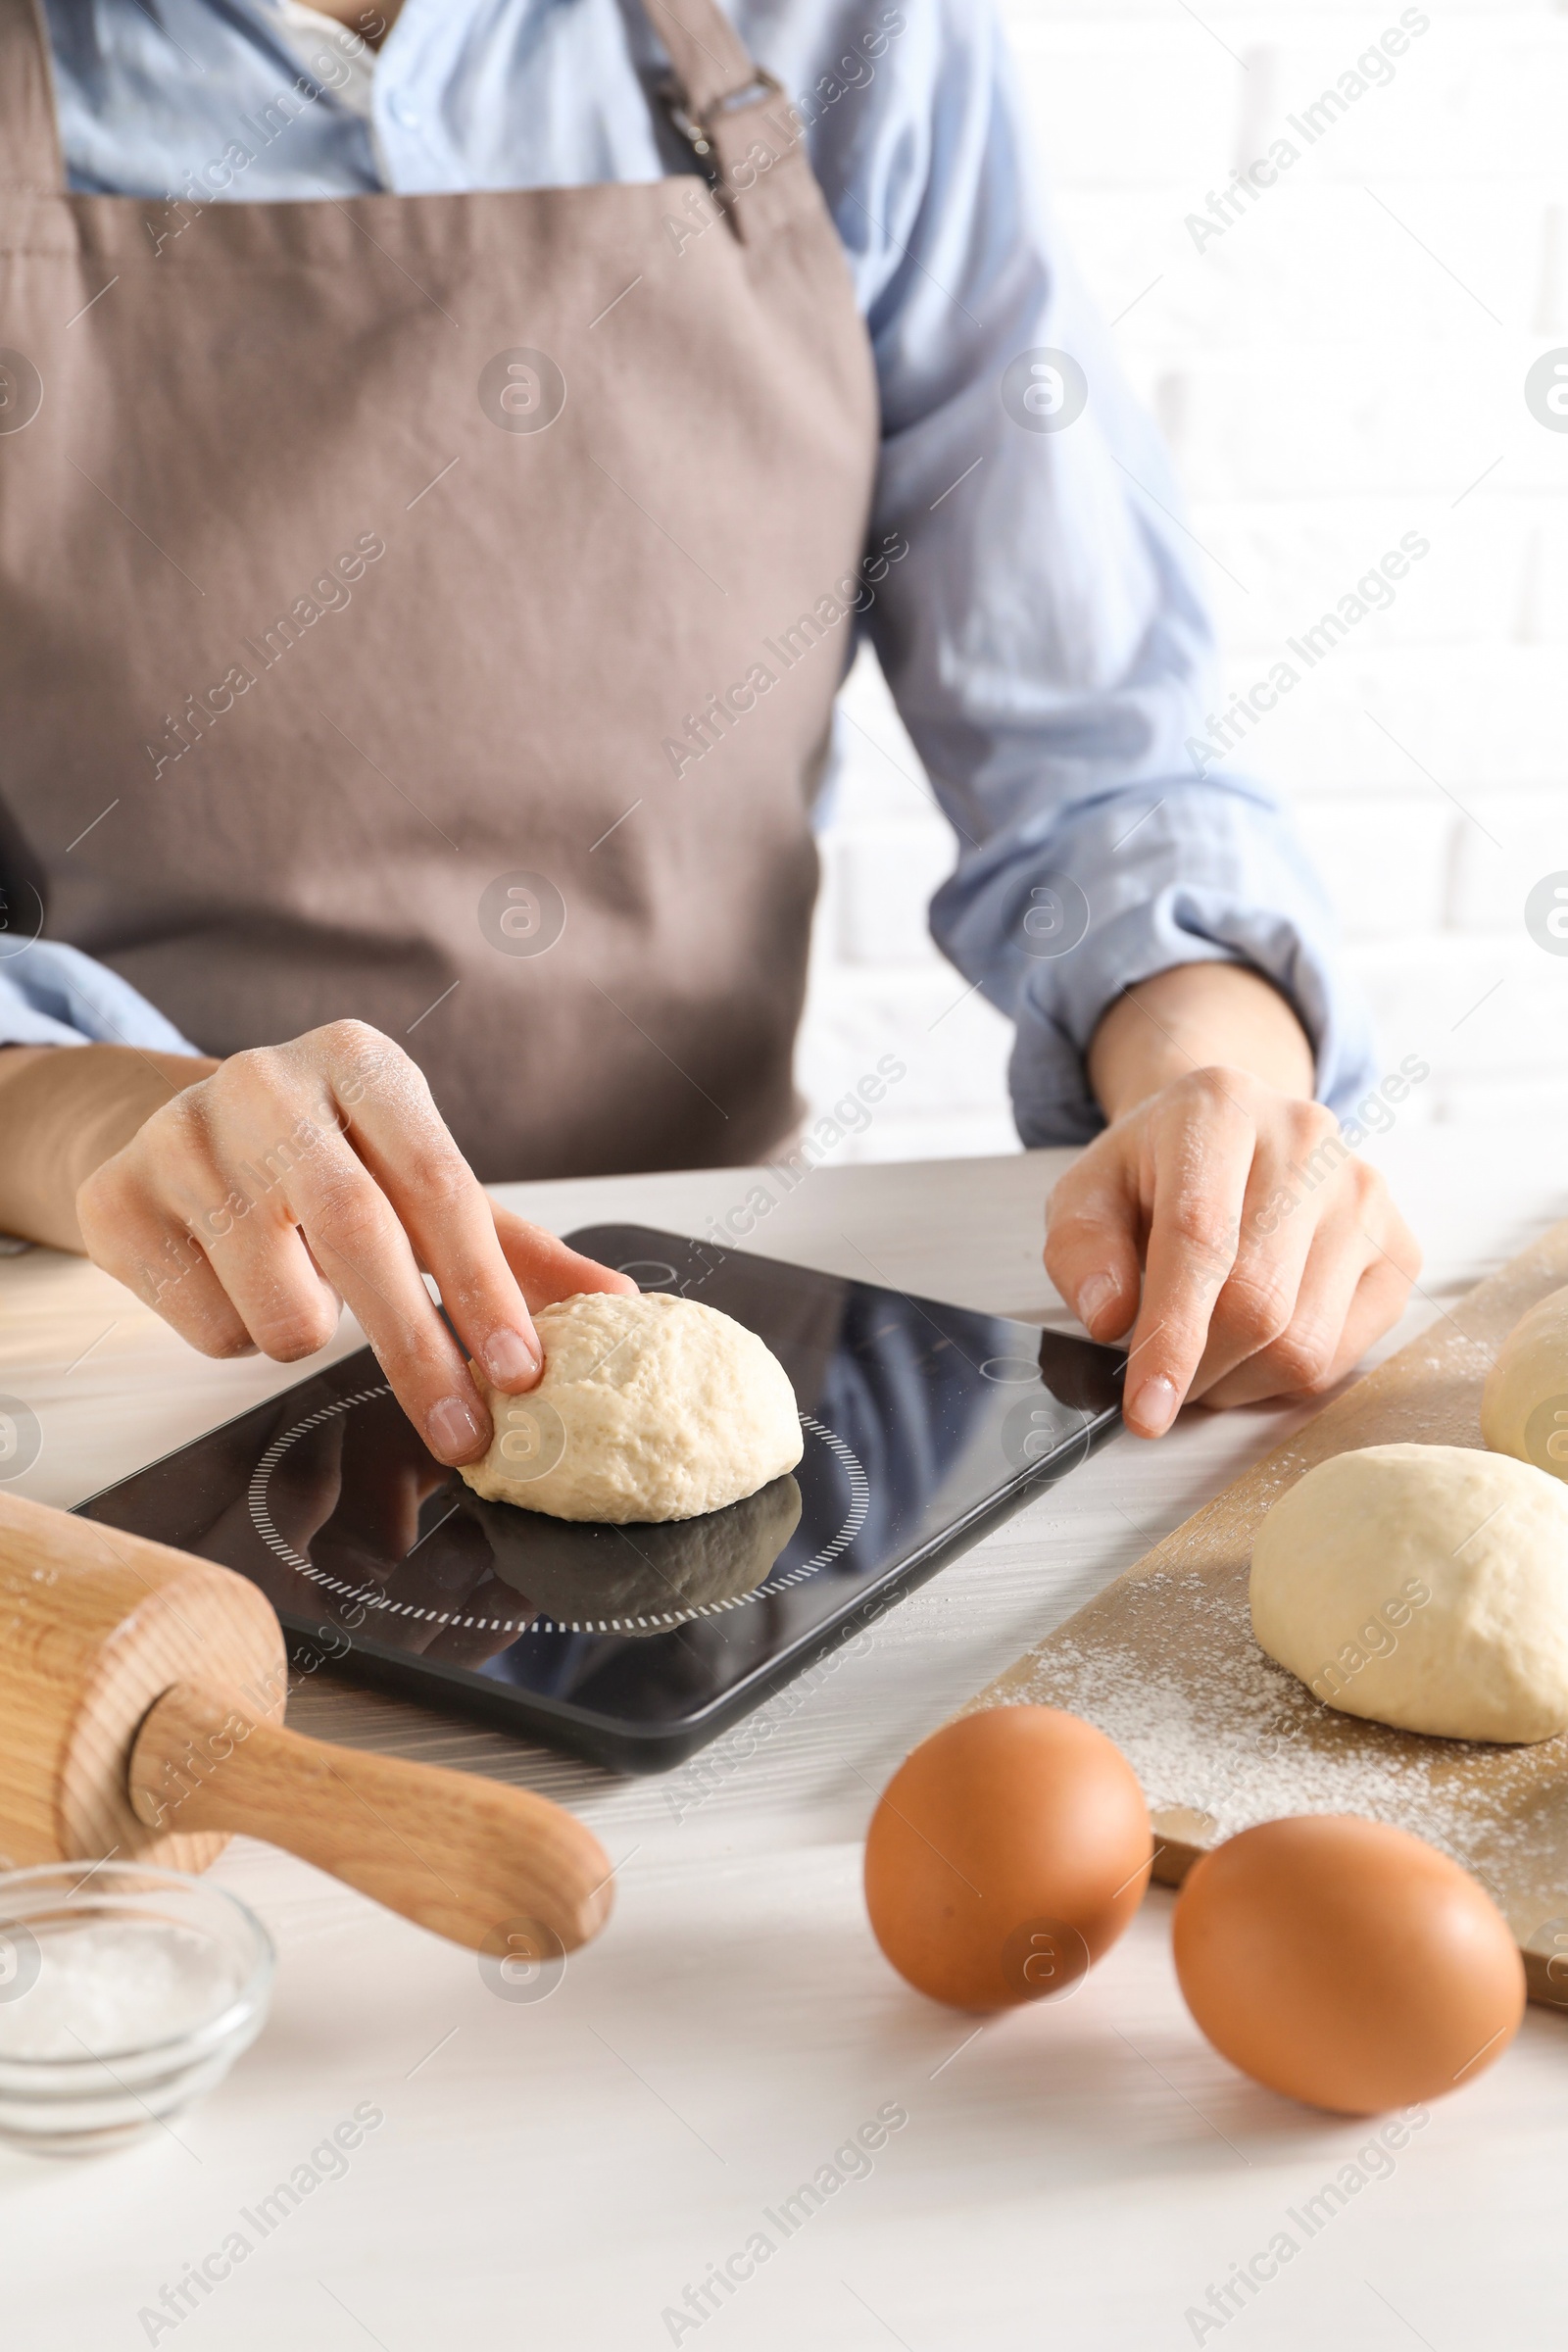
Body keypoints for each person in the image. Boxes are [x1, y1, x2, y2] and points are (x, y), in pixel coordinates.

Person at [0, 0, 1418, 1470]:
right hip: (114, 1370)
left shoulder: (854, 32)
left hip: (710, 1311)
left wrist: (1218, 1088)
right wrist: (111, 1120)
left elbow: (1099, 760)